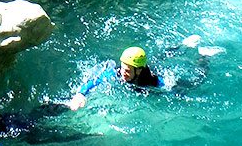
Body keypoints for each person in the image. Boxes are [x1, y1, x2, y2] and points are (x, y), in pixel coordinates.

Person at [67, 36, 223, 110]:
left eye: (127, 70)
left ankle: (205, 57)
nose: (123, 73)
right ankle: (183, 45)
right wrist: (80, 94)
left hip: (153, 73)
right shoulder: (116, 73)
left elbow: (172, 90)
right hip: (144, 68)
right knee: (161, 56)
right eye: (122, 67)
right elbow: (94, 81)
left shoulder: (154, 81)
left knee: (195, 83)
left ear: (139, 70)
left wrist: (178, 95)